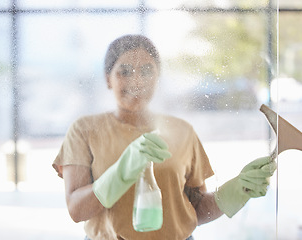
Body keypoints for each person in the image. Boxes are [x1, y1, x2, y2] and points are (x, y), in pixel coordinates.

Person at [52, 34, 277, 240]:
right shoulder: (85, 130)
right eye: (125, 71)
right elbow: (76, 210)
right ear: (108, 78)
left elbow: (195, 210)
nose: (137, 81)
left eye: (147, 71)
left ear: (158, 78)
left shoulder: (182, 131)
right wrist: (119, 174)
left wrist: (236, 190)